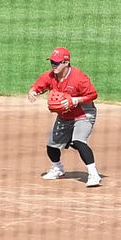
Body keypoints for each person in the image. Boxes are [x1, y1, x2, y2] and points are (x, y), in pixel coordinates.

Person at [27, 47, 101, 187]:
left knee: (79, 141)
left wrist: (75, 100)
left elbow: (93, 95)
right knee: (52, 146)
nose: (53, 65)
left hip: (83, 114)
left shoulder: (79, 77)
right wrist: (33, 91)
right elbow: (38, 85)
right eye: (52, 62)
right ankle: (58, 169)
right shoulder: (50, 76)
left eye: (57, 62)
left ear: (66, 63)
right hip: (64, 116)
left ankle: (94, 174)